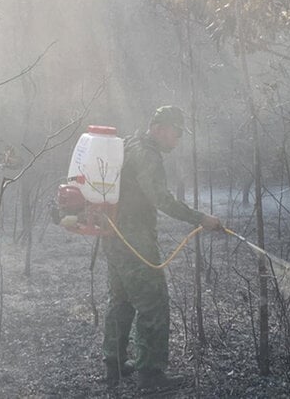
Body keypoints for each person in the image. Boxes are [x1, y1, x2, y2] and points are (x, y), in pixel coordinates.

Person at [102, 106, 222, 391]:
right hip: (134, 241)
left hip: (113, 237)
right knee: (154, 304)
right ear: (158, 129)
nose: (178, 139)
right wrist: (200, 218)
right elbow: (162, 199)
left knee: (121, 301)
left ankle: (114, 367)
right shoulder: (147, 155)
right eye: (176, 132)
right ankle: (151, 376)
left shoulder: (131, 144)